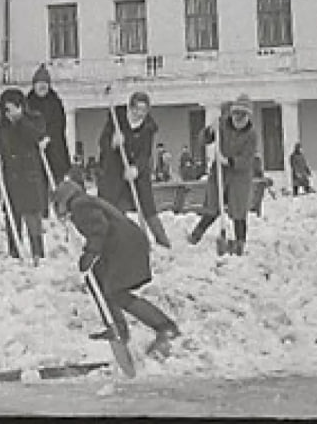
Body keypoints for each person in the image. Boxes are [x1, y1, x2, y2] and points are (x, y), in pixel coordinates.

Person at [53, 172, 181, 359]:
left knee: (116, 291)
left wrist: (90, 253)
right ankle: (116, 327)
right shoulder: (86, 202)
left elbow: (99, 228)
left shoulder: (80, 206)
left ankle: (165, 327)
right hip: (124, 243)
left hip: (125, 247)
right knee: (97, 279)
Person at [187, 95, 258, 256]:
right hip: (219, 173)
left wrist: (230, 161)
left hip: (240, 176)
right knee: (213, 206)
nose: (238, 120)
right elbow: (202, 140)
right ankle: (196, 235)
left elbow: (247, 158)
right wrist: (209, 132)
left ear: (248, 117)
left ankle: (240, 242)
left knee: (238, 211)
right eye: (236, 115)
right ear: (232, 115)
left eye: (243, 117)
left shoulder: (251, 134)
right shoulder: (221, 125)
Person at [98, 91, 170, 248]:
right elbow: (102, 143)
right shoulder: (116, 121)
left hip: (138, 175)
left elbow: (145, 153)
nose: (139, 113)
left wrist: (136, 168)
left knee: (148, 209)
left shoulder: (148, 128)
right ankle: (117, 244)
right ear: (130, 108)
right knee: (115, 209)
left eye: (143, 110)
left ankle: (163, 242)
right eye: (136, 109)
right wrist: (112, 141)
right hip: (115, 172)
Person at [0, 88, 49, 264]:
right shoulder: (3, 125)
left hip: (30, 175)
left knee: (32, 217)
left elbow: (36, 138)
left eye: (9, 109)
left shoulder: (35, 119)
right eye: (4, 110)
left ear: (20, 107)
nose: (7, 114)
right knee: (12, 215)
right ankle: (15, 252)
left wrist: (21, 119)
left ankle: (37, 253)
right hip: (11, 176)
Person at [26, 65, 72, 212]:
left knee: (56, 182)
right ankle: (41, 212)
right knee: (37, 185)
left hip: (54, 150)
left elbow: (59, 123)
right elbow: (25, 124)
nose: (42, 87)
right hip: (34, 151)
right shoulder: (28, 103)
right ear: (34, 85)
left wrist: (48, 137)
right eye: (39, 84)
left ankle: (59, 210)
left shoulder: (55, 102)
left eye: (45, 84)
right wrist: (35, 138)